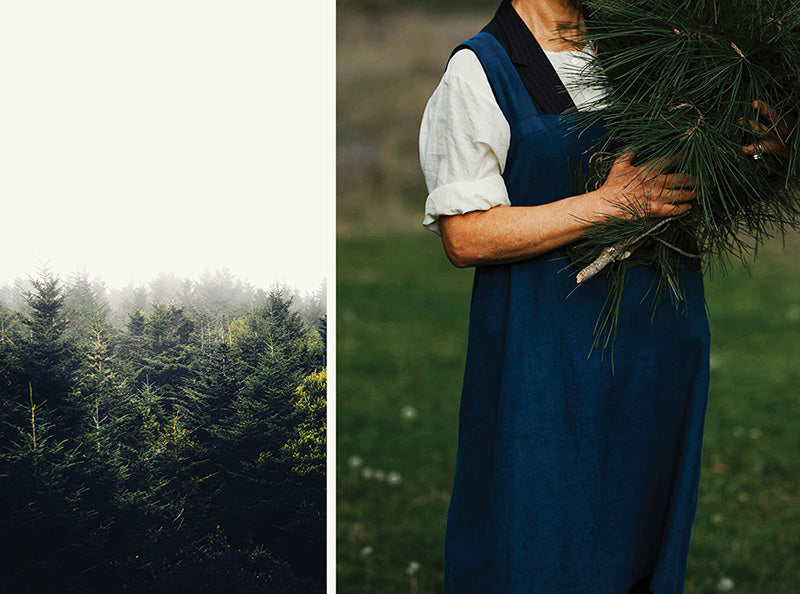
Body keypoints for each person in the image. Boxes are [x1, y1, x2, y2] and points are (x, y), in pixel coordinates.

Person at [417, 0, 787, 592]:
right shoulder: (479, 70)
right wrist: (611, 204)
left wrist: (767, 151)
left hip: (658, 340)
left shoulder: (644, 47)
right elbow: (467, 235)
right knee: (539, 529)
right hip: (545, 351)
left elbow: (695, 184)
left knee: (642, 527)